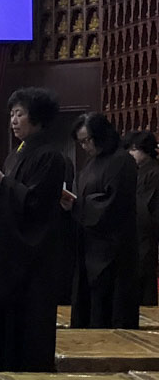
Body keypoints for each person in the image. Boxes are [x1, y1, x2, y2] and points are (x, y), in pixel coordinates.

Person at [0, 87, 65, 372]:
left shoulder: (51, 155)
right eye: (12, 114)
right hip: (9, 246)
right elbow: (11, 194)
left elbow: (37, 202)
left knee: (28, 315)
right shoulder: (17, 154)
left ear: (37, 117)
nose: (13, 120)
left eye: (20, 114)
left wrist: (3, 182)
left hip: (32, 252)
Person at [66, 113, 139, 328]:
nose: (85, 146)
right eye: (81, 142)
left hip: (113, 249)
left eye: (88, 140)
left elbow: (112, 204)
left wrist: (78, 205)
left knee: (109, 308)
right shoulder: (90, 164)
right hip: (89, 246)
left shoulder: (122, 160)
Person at [125, 130, 159, 305]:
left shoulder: (153, 172)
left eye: (134, 149)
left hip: (147, 234)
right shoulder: (137, 171)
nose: (130, 154)